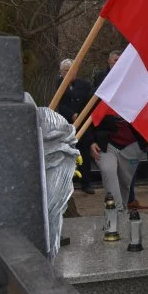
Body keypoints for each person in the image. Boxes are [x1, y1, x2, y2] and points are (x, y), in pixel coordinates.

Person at [56, 59, 95, 194]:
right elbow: (59, 104)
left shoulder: (84, 85)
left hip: (81, 124)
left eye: (71, 70)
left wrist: (81, 114)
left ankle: (86, 183)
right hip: (64, 124)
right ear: (61, 72)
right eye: (66, 71)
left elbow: (88, 101)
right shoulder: (56, 84)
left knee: (84, 154)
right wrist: (71, 114)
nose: (69, 73)